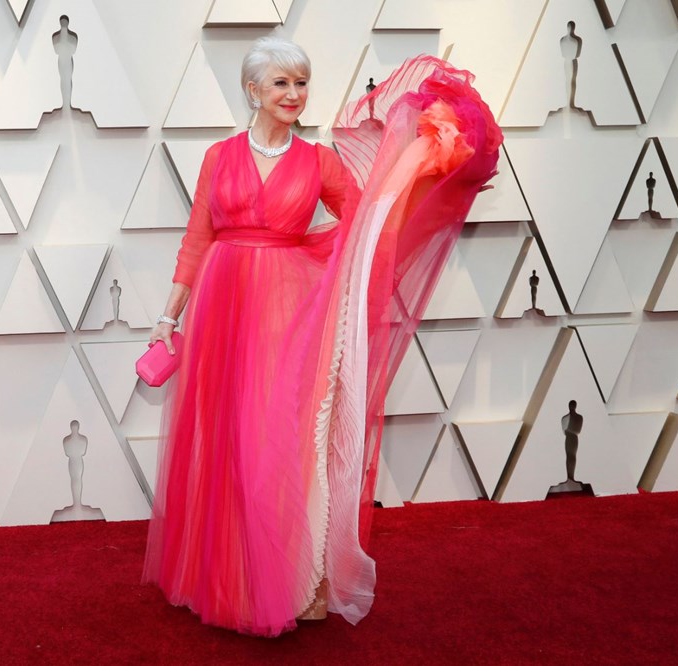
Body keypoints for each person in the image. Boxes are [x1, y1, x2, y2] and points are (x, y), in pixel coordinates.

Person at [142, 37, 502, 637]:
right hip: (219, 310)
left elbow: (366, 223)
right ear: (253, 90)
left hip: (285, 313)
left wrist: (420, 174)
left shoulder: (318, 161)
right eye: (281, 83)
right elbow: (197, 239)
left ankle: (290, 582)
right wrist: (168, 316)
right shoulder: (218, 157)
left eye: (301, 82)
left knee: (274, 443)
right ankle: (226, 578)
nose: (294, 94)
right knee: (226, 441)